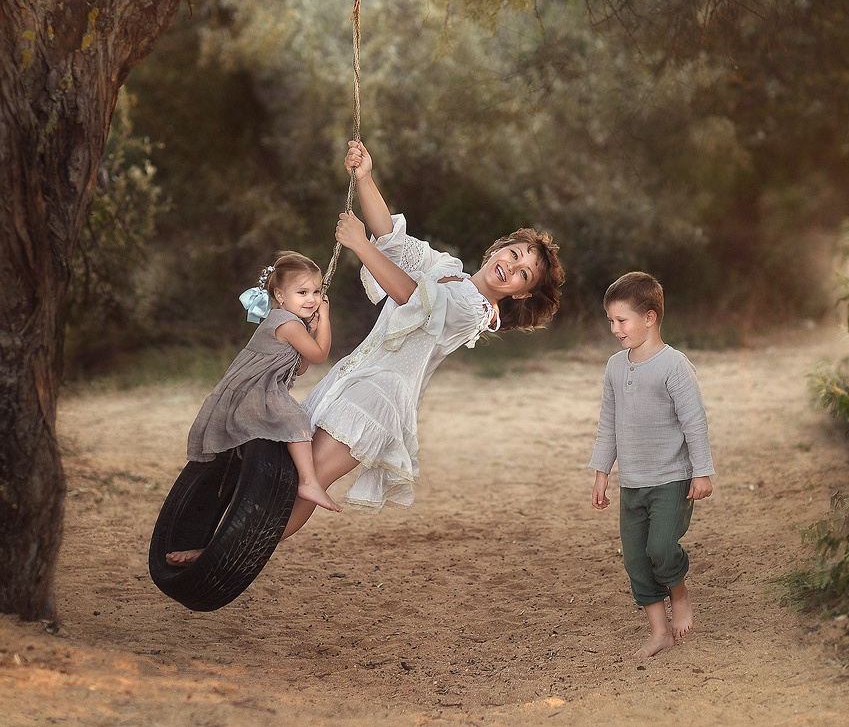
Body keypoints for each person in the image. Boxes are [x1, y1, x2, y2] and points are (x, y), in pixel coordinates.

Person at [280, 139, 565, 539]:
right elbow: (392, 240)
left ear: (521, 294)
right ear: (497, 249)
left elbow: (413, 297)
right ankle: (221, 546)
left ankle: (232, 555)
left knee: (307, 483)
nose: (512, 267)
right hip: (351, 377)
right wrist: (365, 178)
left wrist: (359, 244)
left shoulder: (476, 312)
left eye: (524, 275)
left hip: (377, 400)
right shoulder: (446, 267)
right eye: (514, 254)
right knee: (287, 472)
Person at [165, 251, 338, 567]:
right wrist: (325, 318)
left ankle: (301, 480)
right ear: (280, 296)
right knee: (296, 420)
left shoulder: (288, 321)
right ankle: (308, 481)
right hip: (254, 394)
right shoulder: (287, 323)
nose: (312, 299)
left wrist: (312, 329)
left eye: (316, 292)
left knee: (292, 420)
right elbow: (319, 355)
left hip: (255, 391)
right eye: (302, 292)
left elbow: (299, 368)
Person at [589, 271, 715, 658]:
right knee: (636, 560)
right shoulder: (615, 366)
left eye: (621, 320)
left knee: (660, 548)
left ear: (649, 317)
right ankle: (659, 632)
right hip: (632, 482)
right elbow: (608, 422)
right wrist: (602, 473)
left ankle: (679, 592)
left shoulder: (674, 365)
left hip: (672, 479)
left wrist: (702, 471)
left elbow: (694, 421)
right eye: (610, 320)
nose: (614, 328)